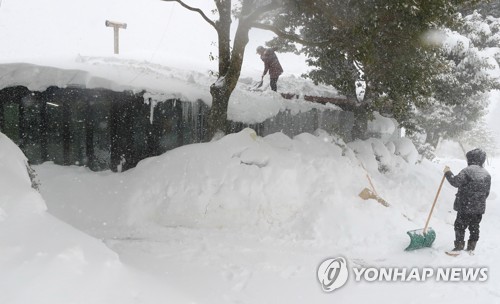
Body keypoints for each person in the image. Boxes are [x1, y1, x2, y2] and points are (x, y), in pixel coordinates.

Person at [444, 148, 491, 254]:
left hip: (465, 206)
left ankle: (459, 246)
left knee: (460, 226)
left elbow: (455, 182)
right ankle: (471, 247)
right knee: (474, 226)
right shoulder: (486, 174)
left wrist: (447, 172)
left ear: (471, 159)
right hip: (478, 207)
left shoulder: (467, 171)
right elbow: (486, 193)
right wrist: (478, 201)